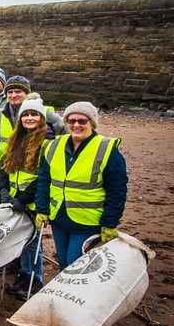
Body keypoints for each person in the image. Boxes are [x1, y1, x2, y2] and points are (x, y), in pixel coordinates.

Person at [34, 102, 128, 270]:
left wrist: (110, 222)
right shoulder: (53, 146)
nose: (76, 125)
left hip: (87, 222)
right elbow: (44, 181)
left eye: (82, 121)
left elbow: (117, 191)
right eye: (71, 121)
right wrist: (42, 209)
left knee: (74, 264)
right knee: (63, 262)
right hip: (59, 218)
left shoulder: (106, 149)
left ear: (92, 123)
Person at [0, 99, 50, 299]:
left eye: (33, 115)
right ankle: (24, 276)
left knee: (34, 243)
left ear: (41, 118)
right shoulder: (15, 140)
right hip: (13, 199)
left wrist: (24, 198)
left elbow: (44, 176)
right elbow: (4, 168)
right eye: (26, 115)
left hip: (32, 203)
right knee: (23, 242)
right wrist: (3, 191)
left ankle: (35, 280)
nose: (29, 118)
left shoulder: (46, 144)